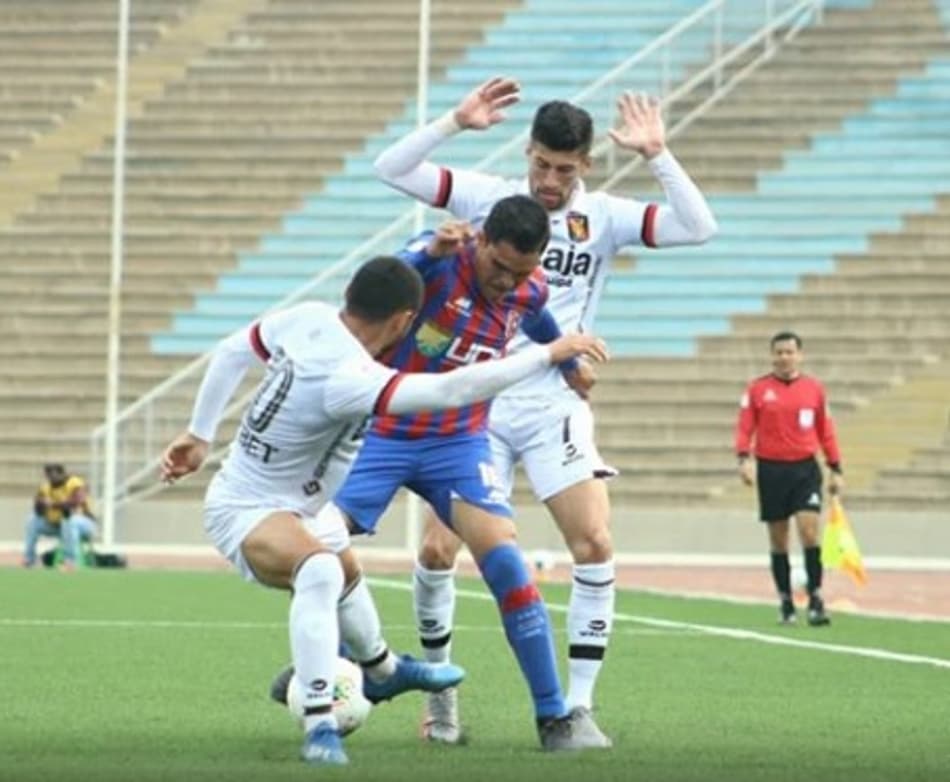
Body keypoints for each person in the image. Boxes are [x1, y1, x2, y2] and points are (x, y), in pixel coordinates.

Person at [371, 76, 717, 741]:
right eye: (540, 164)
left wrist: (657, 155)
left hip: (552, 400)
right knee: (441, 549)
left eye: (563, 169)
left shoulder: (607, 217)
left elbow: (698, 227)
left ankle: (577, 705)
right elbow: (392, 168)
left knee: (592, 539)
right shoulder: (487, 196)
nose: (549, 180)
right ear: (526, 152)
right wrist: (454, 121)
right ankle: (441, 702)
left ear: (585, 165)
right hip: (474, 401)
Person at [160, 254, 605, 766]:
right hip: (247, 508)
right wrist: (548, 354)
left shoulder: (307, 316)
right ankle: (320, 727)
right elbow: (450, 389)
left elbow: (234, 349)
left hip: (303, 504)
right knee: (321, 570)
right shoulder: (350, 375)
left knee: (343, 564)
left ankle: (384, 669)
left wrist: (199, 434)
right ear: (401, 321)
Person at [319, 193, 612, 752]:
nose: (506, 281)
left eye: (519, 270)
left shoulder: (528, 287)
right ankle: (328, 676)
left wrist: (570, 362)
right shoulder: (436, 261)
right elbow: (377, 284)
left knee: (504, 557)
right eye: (498, 265)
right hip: (382, 431)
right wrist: (427, 251)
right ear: (479, 240)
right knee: (319, 549)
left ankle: (555, 718)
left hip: (458, 441)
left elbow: (539, 313)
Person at [734, 331, 844, 626]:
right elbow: (745, 427)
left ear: (800, 355)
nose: (784, 357)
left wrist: (836, 467)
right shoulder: (758, 389)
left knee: (809, 532)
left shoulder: (814, 389)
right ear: (772, 355)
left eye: (789, 352)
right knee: (779, 540)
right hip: (771, 470)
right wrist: (743, 459)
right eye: (779, 352)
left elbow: (826, 430)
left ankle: (816, 597)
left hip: (805, 469)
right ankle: (785, 600)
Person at [23, 463, 98, 570]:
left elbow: (76, 502)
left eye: (53, 475)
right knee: (32, 520)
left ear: (62, 474)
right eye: (48, 476)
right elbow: (37, 509)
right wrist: (40, 504)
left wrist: (52, 504)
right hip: (58, 526)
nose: (50, 479)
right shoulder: (46, 486)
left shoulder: (74, 483)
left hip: (85, 524)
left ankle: (70, 562)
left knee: (69, 519)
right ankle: (29, 559)